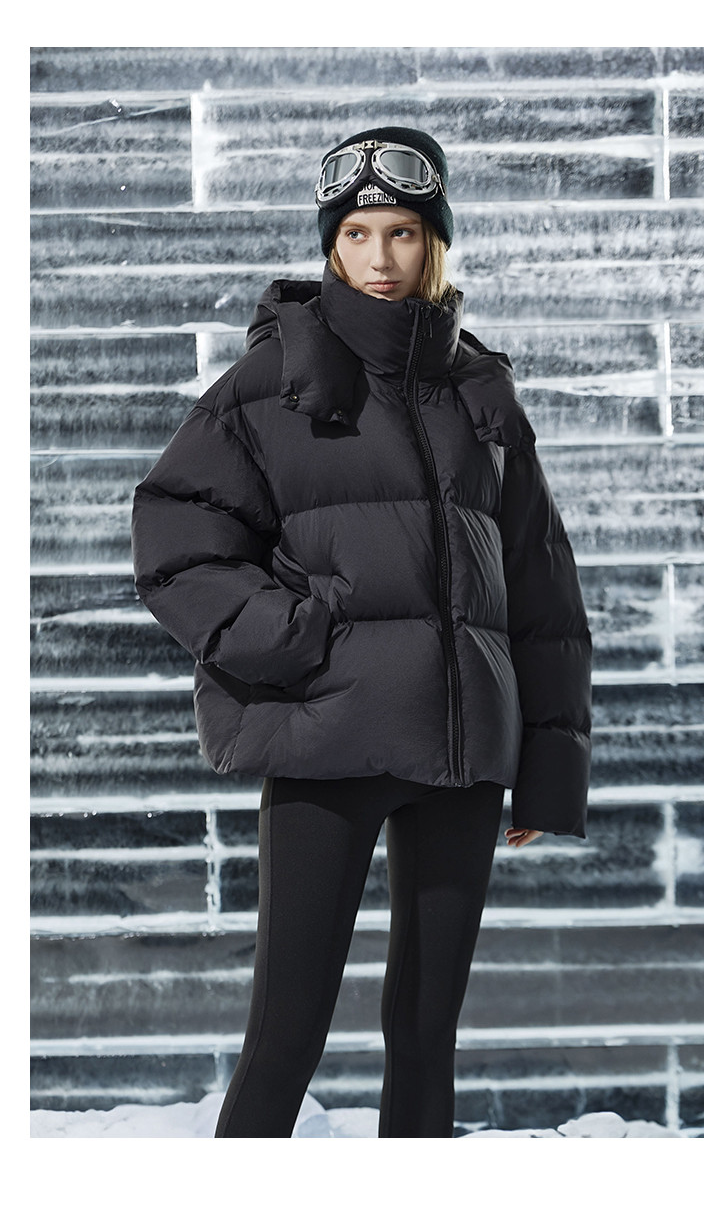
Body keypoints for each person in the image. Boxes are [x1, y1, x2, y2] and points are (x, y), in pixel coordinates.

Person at [131, 127, 593, 1138]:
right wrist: (298, 641)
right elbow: (176, 539)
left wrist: (548, 762)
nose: (381, 257)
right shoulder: (276, 377)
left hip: (463, 756)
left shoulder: (481, 388)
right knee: (283, 1038)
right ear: (332, 244)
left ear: (436, 242)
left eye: (404, 232)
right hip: (325, 744)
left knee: (427, 1037)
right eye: (357, 233)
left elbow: (541, 585)